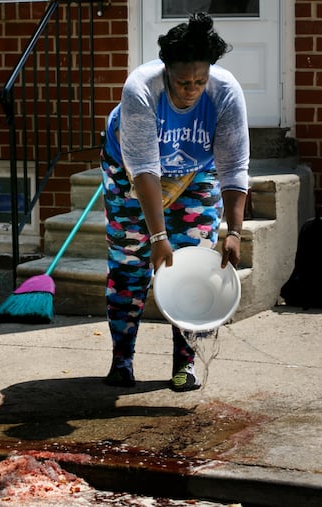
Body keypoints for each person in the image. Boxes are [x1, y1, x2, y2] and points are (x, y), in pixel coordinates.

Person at [100, 12, 249, 392]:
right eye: (183, 82)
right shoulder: (141, 90)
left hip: (194, 170)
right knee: (129, 263)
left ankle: (184, 366)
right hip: (129, 168)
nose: (191, 89)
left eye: (199, 81)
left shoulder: (225, 92)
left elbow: (233, 166)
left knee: (191, 263)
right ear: (166, 71)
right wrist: (156, 237)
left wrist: (234, 232)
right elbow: (144, 171)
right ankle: (122, 360)